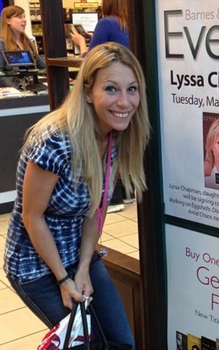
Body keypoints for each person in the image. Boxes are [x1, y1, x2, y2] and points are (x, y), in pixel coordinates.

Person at [3, 42, 150, 350]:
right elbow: (32, 216)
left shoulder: (115, 136)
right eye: (111, 89)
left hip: (77, 254)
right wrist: (63, 279)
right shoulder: (57, 140)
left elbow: (94, 212)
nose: (125, 101)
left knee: (121, 343)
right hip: (36, 267)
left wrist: (83, 267)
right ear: (87, 92)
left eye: (132, 89)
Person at [71, 0, 131, 212]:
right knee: (124, 143)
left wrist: (81, 44)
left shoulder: (106, 24)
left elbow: (92, 61)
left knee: (105, 143)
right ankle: (127, 191)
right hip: (131, 89)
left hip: (110, 92)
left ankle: (112, 198)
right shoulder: (132, 24)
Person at [0, 5, 45, 89]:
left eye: (24, 17)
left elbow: (42, 65)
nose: (24, 20)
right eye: (20, 17)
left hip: (33, 91)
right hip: (14, 96)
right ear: (8, 21)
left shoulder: (27, 42)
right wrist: (15, 90)